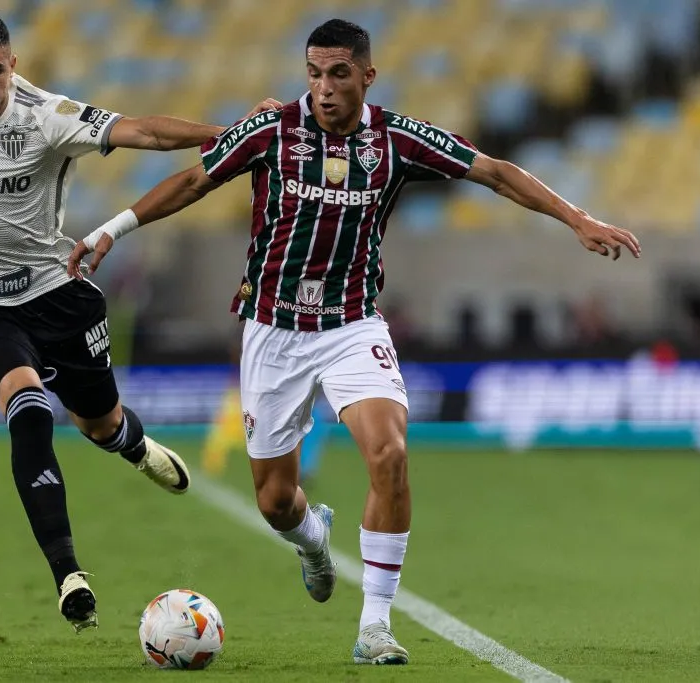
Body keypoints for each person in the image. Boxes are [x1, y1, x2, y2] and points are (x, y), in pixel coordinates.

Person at [70, 18, 641, 664]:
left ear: (367, 76)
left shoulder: (396, 139)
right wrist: (113, 228)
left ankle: (375, 626)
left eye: (338, 74)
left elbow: (495, 172)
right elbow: (193, 180)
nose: (324, 87)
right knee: (275, 501)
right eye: (314, 73)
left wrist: (577, 218)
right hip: (272, 329)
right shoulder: (272, 130)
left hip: (352, 325)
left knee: (390, 452)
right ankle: (313, 540)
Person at [0, 11, 278, 634]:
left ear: (13, 66)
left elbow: (143, 132)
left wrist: (234, 134)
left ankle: (131, 444)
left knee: (100, 423)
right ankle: (69, 575)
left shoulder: (47, 117)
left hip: (55, 292)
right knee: (26, 403)